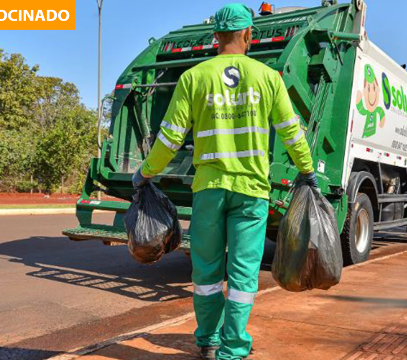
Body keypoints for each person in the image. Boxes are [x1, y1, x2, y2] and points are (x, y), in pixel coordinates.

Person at [132, 3, 316, 359]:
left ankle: (208, 340)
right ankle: (233, 349)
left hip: (209, 191)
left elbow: (169, 138)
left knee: (206, 272)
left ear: (215, 37)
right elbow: (292, 133)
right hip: (251, 194)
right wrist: (307, 171)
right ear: (249, 35)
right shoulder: (268, 78)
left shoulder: (194, 77)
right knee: (244, 275)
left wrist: (146, 173)